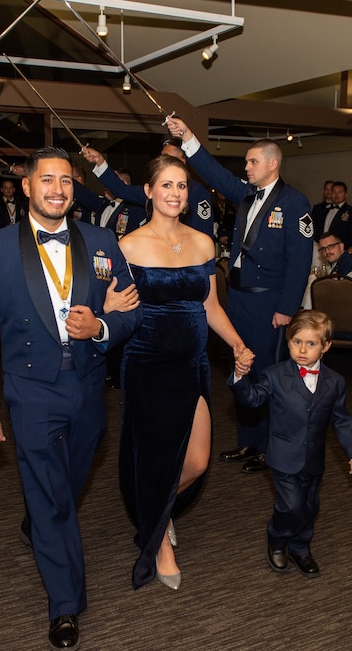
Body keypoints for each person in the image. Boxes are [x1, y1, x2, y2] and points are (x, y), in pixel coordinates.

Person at [0, 147, 141, 650]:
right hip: (30, 389)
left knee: (66, 480)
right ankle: (64, 604)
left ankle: (36, 520)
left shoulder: (103, 241)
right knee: (54, 498)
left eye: (66, 180)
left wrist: (100, 325)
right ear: (27, 186)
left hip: (87, 388)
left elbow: (132, 309)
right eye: (47, 180)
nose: (57, 189)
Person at [116, 154, 251, 591]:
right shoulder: (129, 246)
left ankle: (157, 510)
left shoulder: (203, 243)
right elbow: (114, 307)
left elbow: (210, 306)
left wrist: (236, 344)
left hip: (192, 364)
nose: (176, 193)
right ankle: (159, 541)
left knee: (196, 460)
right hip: (147, 364)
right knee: (156, 455)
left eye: (182, 186)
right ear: (149, 192)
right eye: (167, 185)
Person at [166, 116, 313, 475]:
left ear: (272, 163)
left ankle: (269, 445)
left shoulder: (295, 203)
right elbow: (215, 174)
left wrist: (287, 308)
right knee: (241, 365)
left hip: (270, 302)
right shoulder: (246, 195)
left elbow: (300, 260)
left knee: (268, 372)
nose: (246, 167)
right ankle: (248, 439)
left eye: (252, 162)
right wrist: (187, 138)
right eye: (246, 162)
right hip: (241, 298)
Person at [229, 310, 352, 578]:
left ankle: (301, 547)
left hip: (314, 458)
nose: (302, 350)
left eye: (311, 344)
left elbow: (341, 420)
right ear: (288, 342)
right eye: (296, 342)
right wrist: (240, 376)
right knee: (291, 505)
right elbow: (252, 399)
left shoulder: (335, 382)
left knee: (311, 506)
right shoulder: (275, 375)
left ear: (326, 347)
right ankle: (277, 537)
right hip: (282, 456)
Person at [81, 139, 216, 240]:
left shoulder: (196, 191)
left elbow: (202, 238)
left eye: (168, 157)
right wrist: (99, 160)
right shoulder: (156, 190)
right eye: (161, 156)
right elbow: (121, 190)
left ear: (183, 160)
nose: (163, 161)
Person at [316, 231, 352, 344]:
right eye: (323, 249)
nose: (327, 251)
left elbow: (345, 301)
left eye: (331, 246)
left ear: (341, 246)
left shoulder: (350, 265)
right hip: (346, 325)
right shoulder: (342, 263)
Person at [312, 180, 352, 256]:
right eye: (334, 192)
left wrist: (350, 250)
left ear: (345, 194)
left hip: (342, 251)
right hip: (323, 250)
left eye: (340, 192)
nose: (336, 195)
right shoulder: (324, 210)